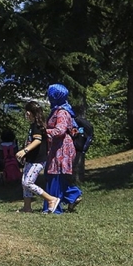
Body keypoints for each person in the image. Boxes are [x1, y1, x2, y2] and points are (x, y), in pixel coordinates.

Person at [43, 84, 82, 214]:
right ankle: (72, 195)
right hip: (56, 147)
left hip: (62, 148)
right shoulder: (57, 110)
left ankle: (54, 207)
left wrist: (44, 132)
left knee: (55, 175)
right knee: (53, 175)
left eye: (51, 95)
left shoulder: (62, 112)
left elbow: (60, 130)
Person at [16, 101, 61, 213]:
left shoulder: (37, 126)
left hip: (38, 159)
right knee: (24, 183)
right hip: (31, 158)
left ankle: (51, 199)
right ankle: (27, 207)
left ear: (29, 112)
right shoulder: (34, 125)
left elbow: (37, 140)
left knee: (28, 182)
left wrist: (24, 151)